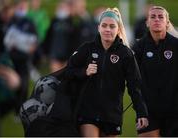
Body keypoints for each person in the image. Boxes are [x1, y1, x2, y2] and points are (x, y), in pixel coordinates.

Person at [66, 7, 148, 137]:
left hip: (112, 115)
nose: (107, 29)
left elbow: (134, 86)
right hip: (88, 113)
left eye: (112, 26)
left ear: (118, 29)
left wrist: (141, 112)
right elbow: (68, 72)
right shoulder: (86, 49)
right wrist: (84, 72)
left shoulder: (125, 54)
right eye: (104, 25)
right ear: (99, 27)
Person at [132, 6, 178, 137]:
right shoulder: (139, 47)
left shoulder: (176, 45)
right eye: (152, 17)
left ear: (167, 22)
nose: (156, 19)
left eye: (160, 17)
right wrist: (140, 111)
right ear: (147, 22)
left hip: (174, 112)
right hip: (148, 112)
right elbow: (133, 81)